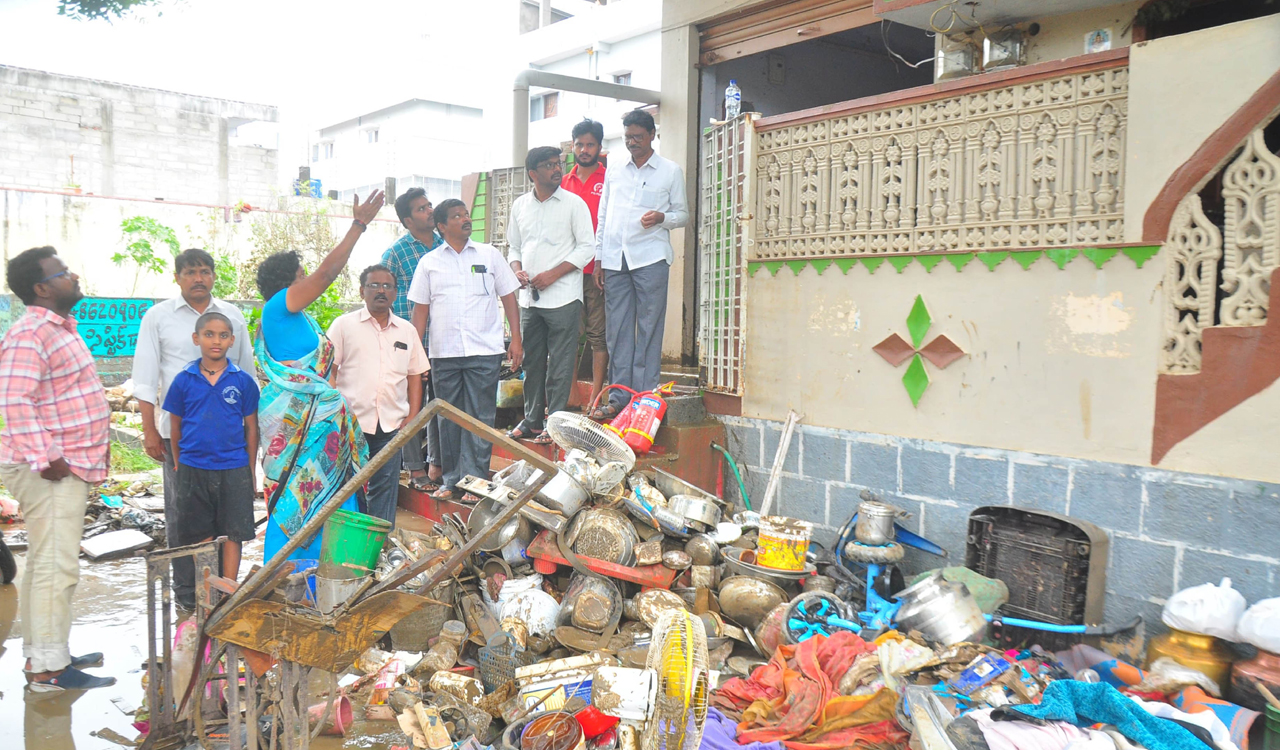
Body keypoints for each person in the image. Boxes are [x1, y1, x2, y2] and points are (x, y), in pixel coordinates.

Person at [0, 246, 115, 691]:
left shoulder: (58, 327)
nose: (74, 275)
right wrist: (46, 457)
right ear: (42, 288)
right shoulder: (30, 333)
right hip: (50, 469)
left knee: (46, 565)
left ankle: (48, 651)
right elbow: (13, 399)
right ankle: (47, 669)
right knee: (56, 566)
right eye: (63, 272)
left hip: (63, 465)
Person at [256, 190, 385, 563]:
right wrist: (358, 225)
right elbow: (327, 274)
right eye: (301, 276)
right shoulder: (278, 309)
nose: (307, 279)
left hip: (322, 428)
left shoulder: (302, 320)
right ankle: (289, 576)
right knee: (296, 502)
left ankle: (332, 572)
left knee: (335, 502)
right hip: (296, 430)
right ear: (288, 283)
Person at [132, 248, 253, 611]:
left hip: (228, 441)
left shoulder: (233, 316)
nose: (198, 278)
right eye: (190, 272)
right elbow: (145, 377)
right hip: (179, 436)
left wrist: (251, 450)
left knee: (229, 517)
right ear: (177, 277)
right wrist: (150, 431)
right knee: (183, 515)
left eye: (204, 271)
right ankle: (189, 595)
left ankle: (221, 592)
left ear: (214, 276)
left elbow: (246, 376)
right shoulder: (158, 317)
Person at [409, 199, 523, 501]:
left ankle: (474, 481)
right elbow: (420, 312)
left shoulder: (489, 255)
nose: (465, 219)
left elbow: (509, 296)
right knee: (448, 418)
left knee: (480, 416)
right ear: (442, 227)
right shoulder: (429, 262)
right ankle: (451, 480)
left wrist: (516, 339)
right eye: (456, 216)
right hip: (444, 353)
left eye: (466, 214)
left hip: (484, 350)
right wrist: (415, 355)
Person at [590, 109, 688, 420]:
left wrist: (662, 218)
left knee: (649, 328)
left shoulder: (670, 171)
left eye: (638, 137)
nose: (632, 142)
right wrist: (599, 259)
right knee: (617, 330)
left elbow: (683, 214)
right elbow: (604, 215)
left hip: (651, 259)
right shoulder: (615, 168)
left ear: (652, 136)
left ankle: (646, 396)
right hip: (616, 258)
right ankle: (619, 398)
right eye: (628, 136)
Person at [161, 312, 260, 582]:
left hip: (233, 467)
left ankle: (227, 591)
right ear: (197, 339)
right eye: (209, 334)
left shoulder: (243, 382)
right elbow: (175, 427)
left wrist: (250, 470)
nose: (216, 341)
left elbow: (252, 428)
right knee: (199, 533)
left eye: (223, 335)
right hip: (194, 468)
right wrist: (181, 463)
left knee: (233, 533)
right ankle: (207, 592)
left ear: (232, 341)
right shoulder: (183, 381)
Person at [328, 264, 429, 524]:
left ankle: (381, 548)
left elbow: (414, 375)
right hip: (350, 425)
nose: (381, 290)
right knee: (349, 488)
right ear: (362, 291)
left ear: (396, 293)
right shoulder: (343, 325)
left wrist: (414, 417)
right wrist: (333, 413)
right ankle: (351, 546)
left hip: (391, 425)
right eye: (374, 285)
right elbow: (330, 370)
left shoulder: (406, 330)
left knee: (385, 488)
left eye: (387, 286)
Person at [507, 146, 595, 443]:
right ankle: (531, 419)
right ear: (533, 174)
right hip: (530, 300)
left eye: (558, 163)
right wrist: (517, 270)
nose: (557, 169)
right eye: (548, 165)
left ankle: (554, 422)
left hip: (564, 299)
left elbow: (587, 248)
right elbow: (514, 247)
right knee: (532, 363)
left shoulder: (574, 203)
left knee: (560, 363)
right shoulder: (520, 205)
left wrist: (553, 275)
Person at [382, 188, 444, 493]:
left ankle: (436, 463)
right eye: (422, 209)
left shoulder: (447, 244)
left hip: (444, 340)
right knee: (410, 405)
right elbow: (381, 292)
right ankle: (414, 468)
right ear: (407, 220)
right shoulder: (396, 253)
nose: (430, 211)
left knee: (438, 404)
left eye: (430, 205)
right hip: (409, 341)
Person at [561, 119, 610, 408]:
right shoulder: (563, 181)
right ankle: (568, 397)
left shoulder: (610, 179)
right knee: (566, 334)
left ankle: (594, 398)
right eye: (579, 144)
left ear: (600, 147)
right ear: (572, 146)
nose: (584, 149)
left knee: (598, 335)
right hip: (567, 272)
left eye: (590, 144)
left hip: (597, 271)